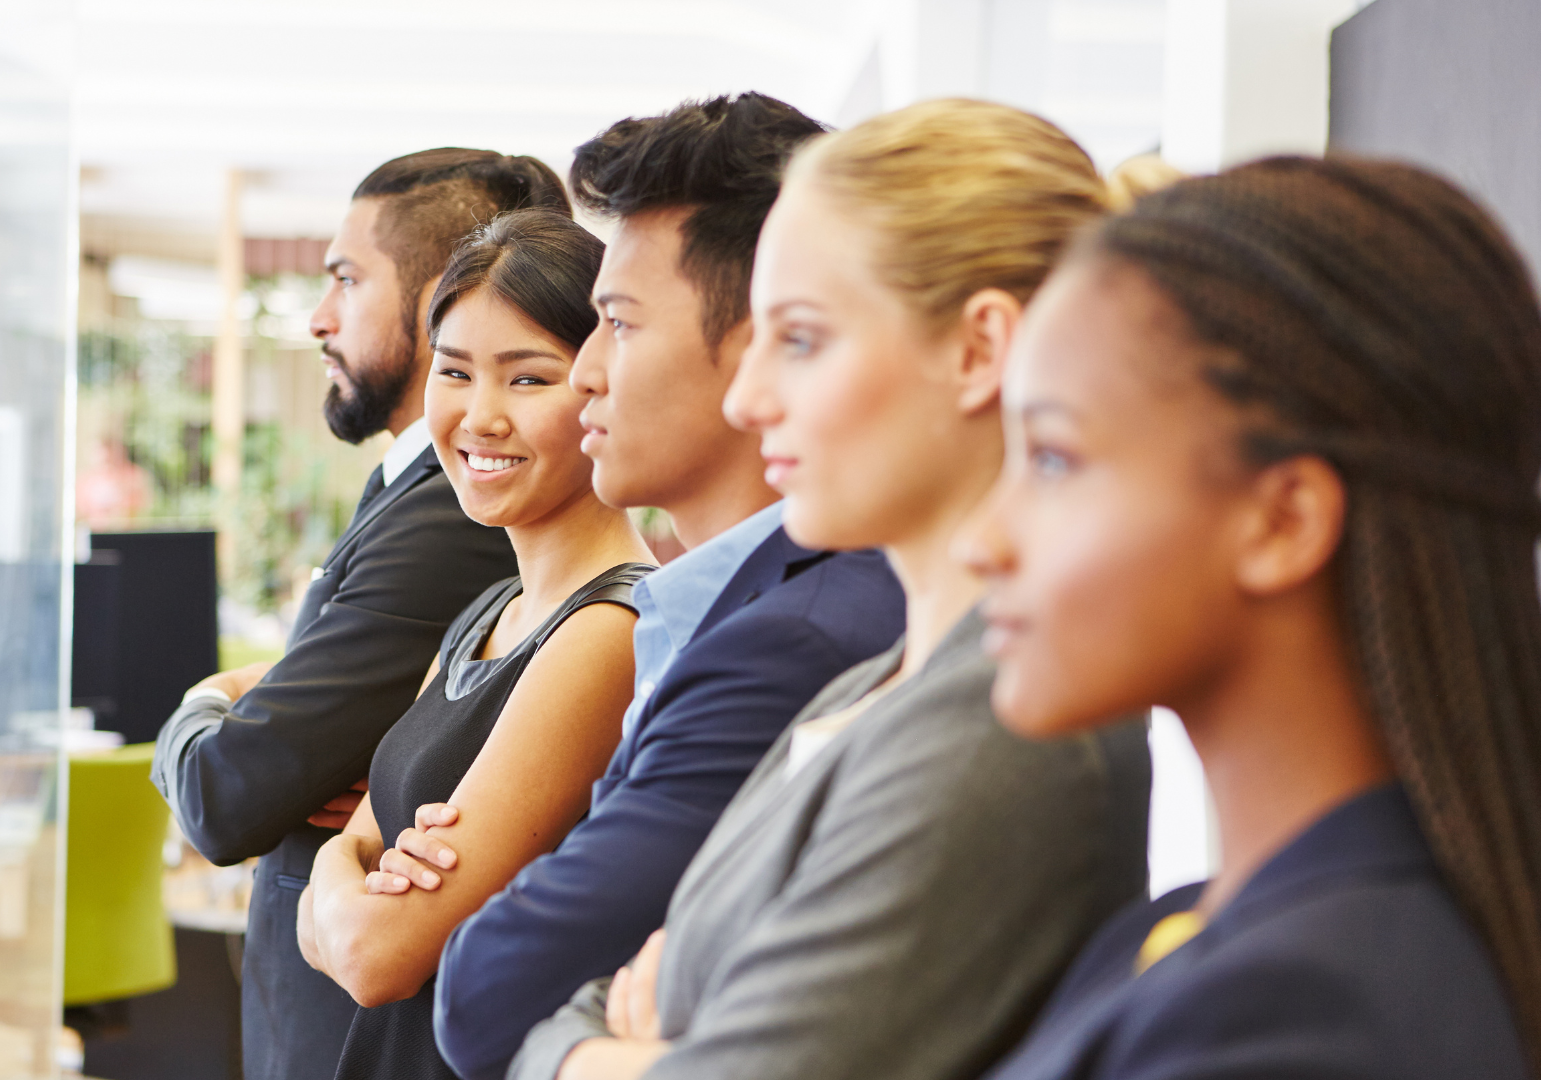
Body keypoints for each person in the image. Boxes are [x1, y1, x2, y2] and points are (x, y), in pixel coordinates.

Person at [514, 100, 1153, 1080]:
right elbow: (580, 1004)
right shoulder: (873, 689)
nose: (748, 396)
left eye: (802, 339)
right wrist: (606, 1042)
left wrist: (582, 1056)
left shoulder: (1010, 722)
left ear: (978, 350)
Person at [961, 157, 1541, 1079]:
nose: (982, 541)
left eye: (1054, 460)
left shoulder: (1307, 1012)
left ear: (1283, 522)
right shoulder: (1187, 932)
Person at [362, 93, 906, 1080]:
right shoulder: (696, 607)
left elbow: (485, 990)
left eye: (615, 324)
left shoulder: (800, 632)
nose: (588, 376)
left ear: (756, 341)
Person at [150, 149, 562, 1080]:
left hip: (349, 1030)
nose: (318, 316)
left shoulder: (447, 521)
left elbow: (224, 793)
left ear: (439, 299)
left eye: (345, 278)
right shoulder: (413, 498)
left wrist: (201, 698)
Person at [298, 209, 658, 1080]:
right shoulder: (489, 612)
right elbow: (349, 877)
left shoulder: (609, 629)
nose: (479, 416)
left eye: (528, 380)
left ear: (601, 385)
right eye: (454, 372)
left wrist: (343, 876)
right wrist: (342, 863)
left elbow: (377, 958)